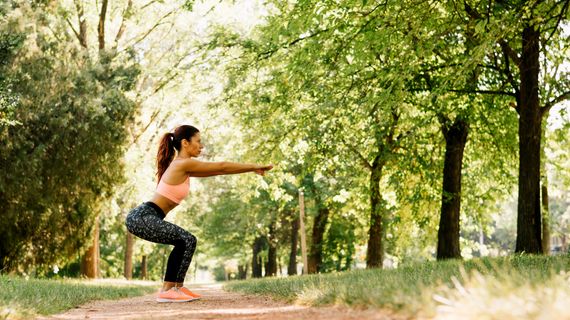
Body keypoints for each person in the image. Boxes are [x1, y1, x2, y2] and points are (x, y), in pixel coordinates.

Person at [125, 125, 273, 303]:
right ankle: (168, 289)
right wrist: (253, 166)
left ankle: (177, 287)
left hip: (147, 216)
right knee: (186, 239)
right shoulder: (183, 163)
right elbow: (222, 166)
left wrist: (249, 169)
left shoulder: (185, 166)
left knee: (186, 240)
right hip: (141, 217)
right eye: (198, 141)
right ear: (185, 143)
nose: (201, 146)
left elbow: (219, 170)